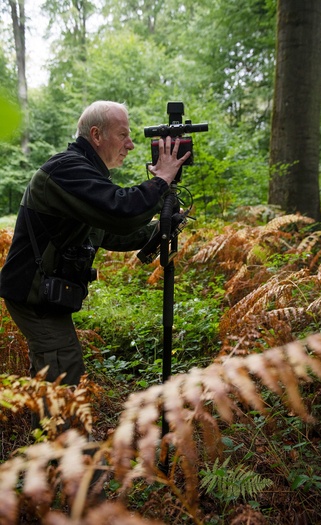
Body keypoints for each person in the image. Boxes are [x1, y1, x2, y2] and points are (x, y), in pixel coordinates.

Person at [0, 100, 190, 428]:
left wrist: (158, 230)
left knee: (51, 372)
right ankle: (68, 463)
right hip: (35, 297)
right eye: (123, 135)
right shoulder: (66, 169)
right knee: (64, 370)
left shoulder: (83, 174)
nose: (130, 144)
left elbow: (107, 233)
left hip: (45, 293)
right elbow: (121, 211)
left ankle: (42, 449)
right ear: (96, 135)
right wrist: (160, 181)